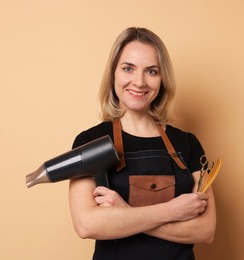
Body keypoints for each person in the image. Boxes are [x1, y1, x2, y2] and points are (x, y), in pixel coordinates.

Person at [69, 27, 216, 260]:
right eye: (128, 68)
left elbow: (205, 230)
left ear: (162, 79)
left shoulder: (188, 144)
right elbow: (87, 224)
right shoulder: (89, 143)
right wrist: (172, 211)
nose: (139, 82)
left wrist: (125, 214)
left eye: (151, 71)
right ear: (113, 74)